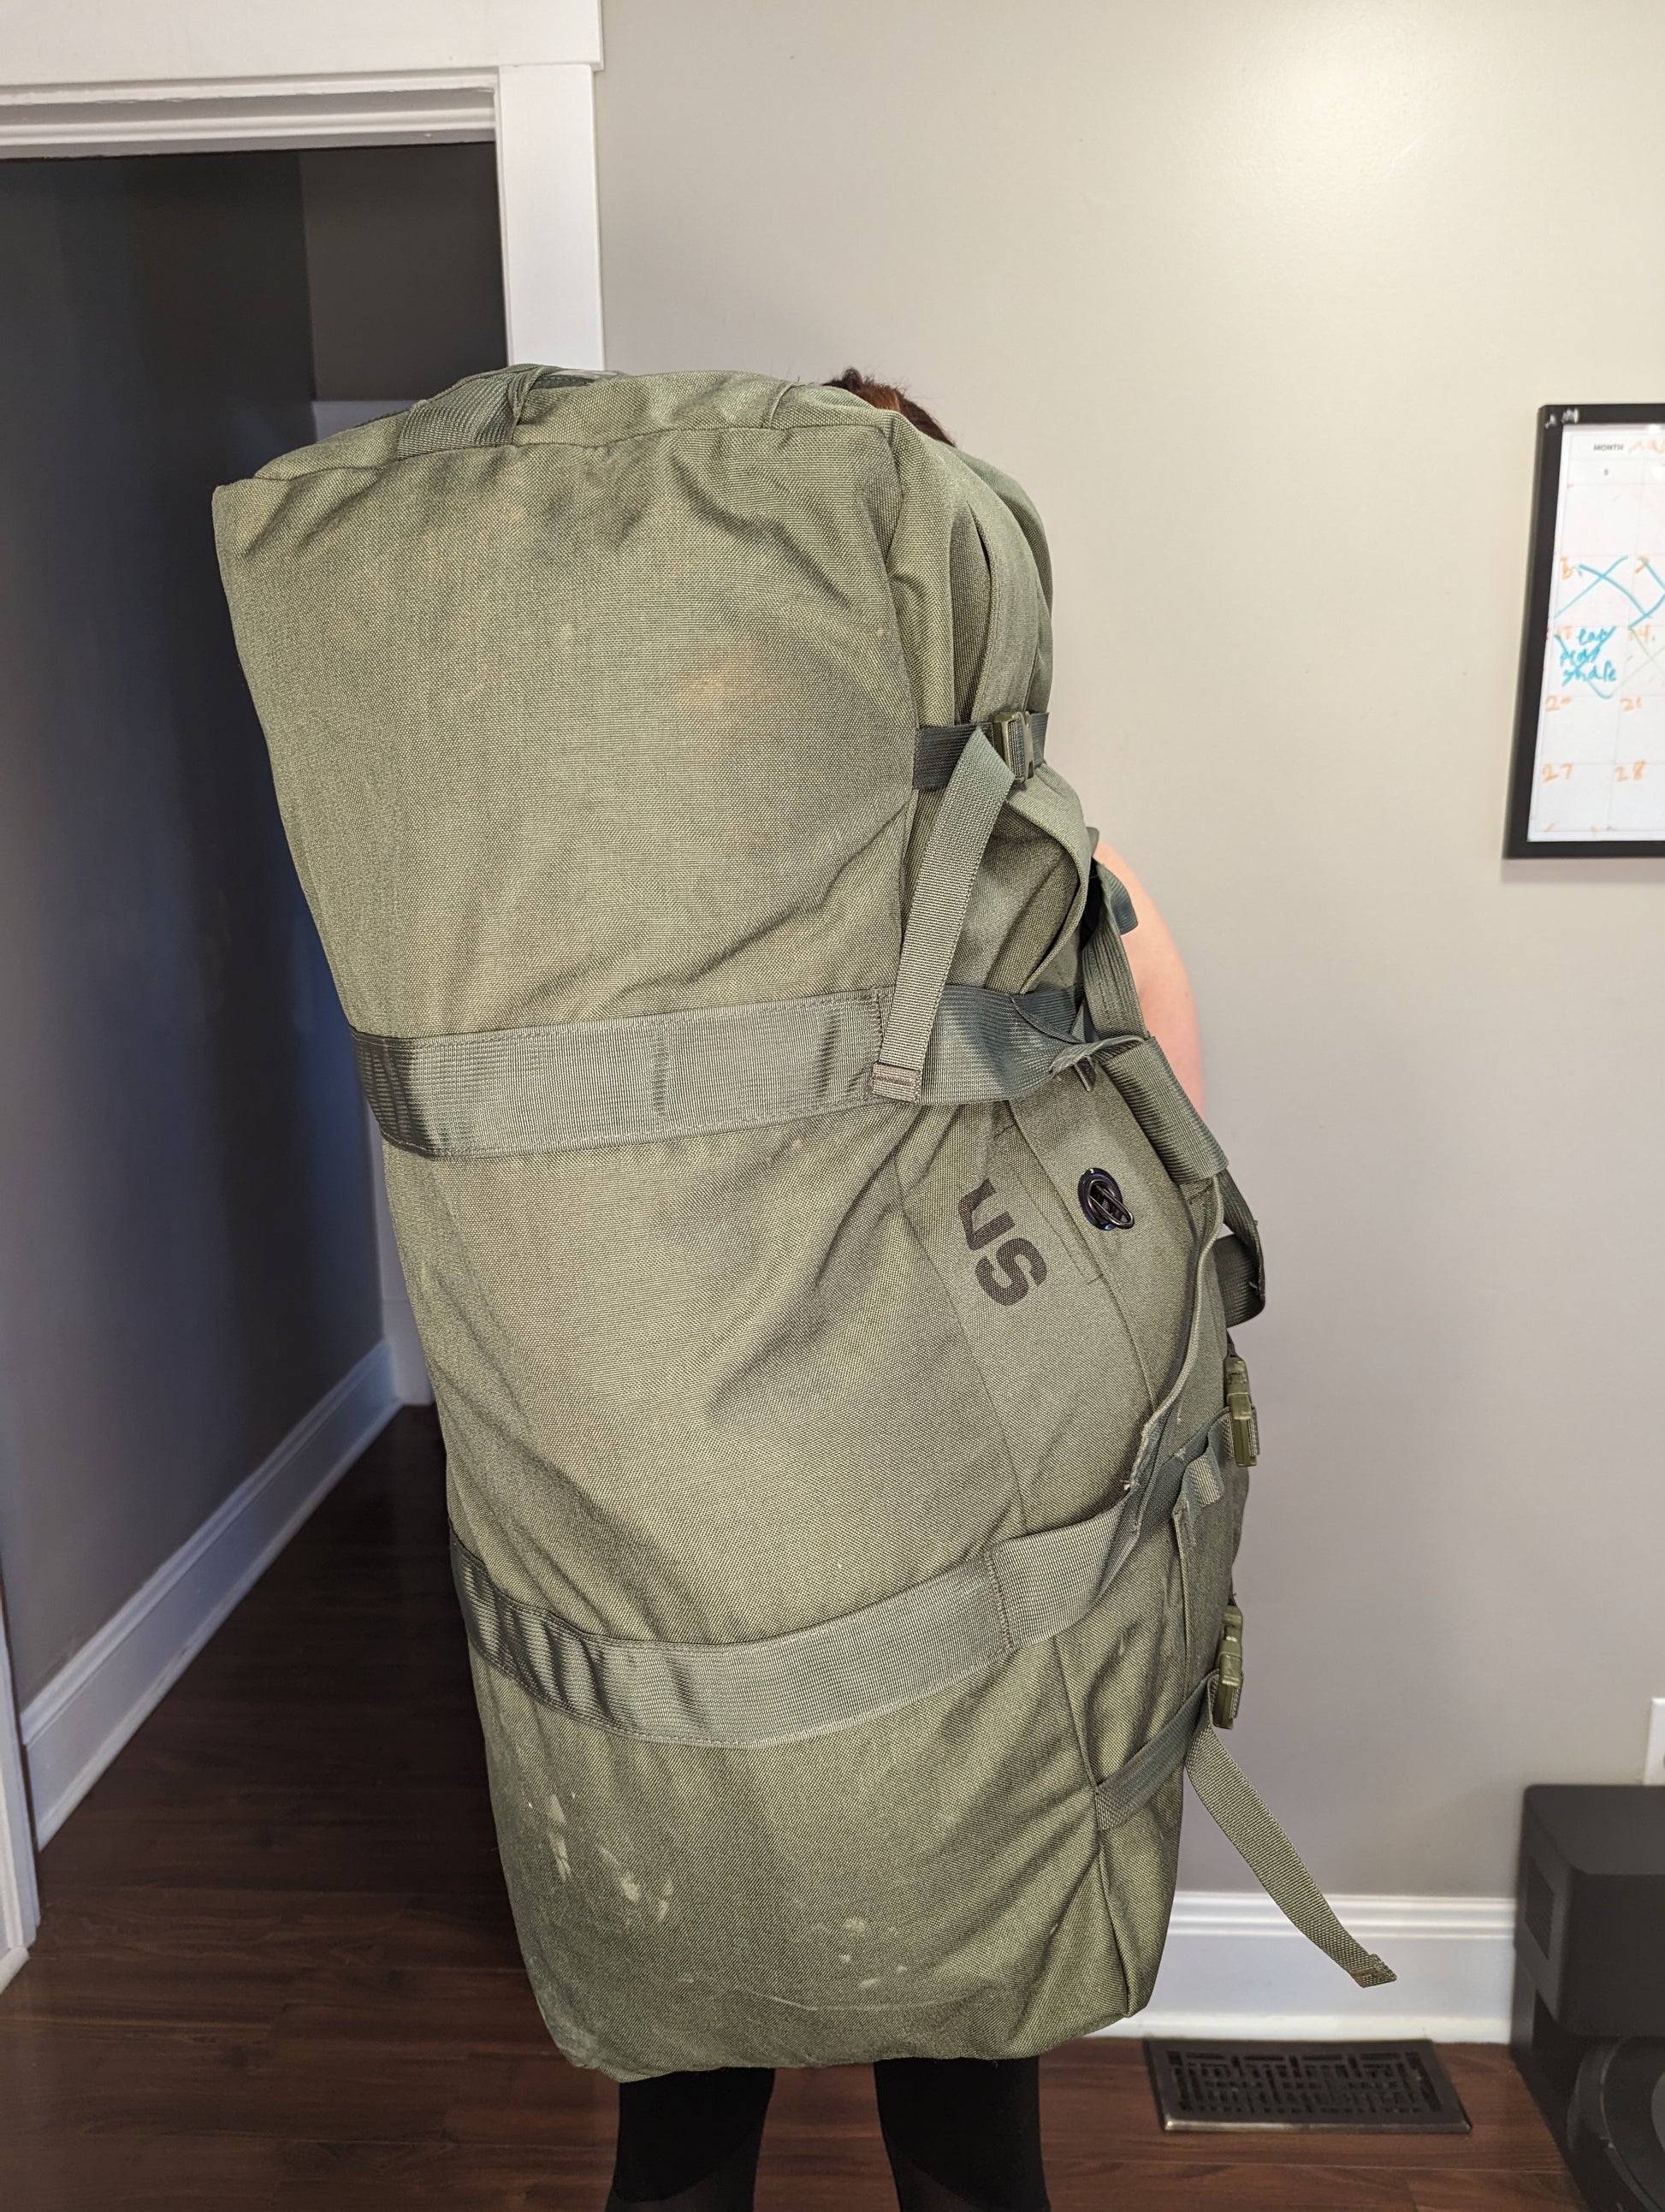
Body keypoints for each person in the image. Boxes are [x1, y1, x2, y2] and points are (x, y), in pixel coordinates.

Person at [602, 373, 1206, 2212]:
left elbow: (1153, 1247)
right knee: (733, 2080)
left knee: (916, 2084)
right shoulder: (647, 916)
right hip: (730, 1569)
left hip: (939, 1574)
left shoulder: (1064, 894)